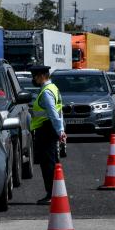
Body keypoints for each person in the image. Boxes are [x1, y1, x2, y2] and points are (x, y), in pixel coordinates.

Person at [30, 65, 66, 205]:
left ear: (42, 76)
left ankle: (51, 194)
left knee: (48, 164)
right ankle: (56, 192)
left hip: (46, 130)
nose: (33, 79)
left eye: (35, 76)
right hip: (50, 129)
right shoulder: (54, 88)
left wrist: (60, 130)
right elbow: (59, 111)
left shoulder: (46, 92)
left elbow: (52, 112)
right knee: (52, 161)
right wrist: (61, 130)